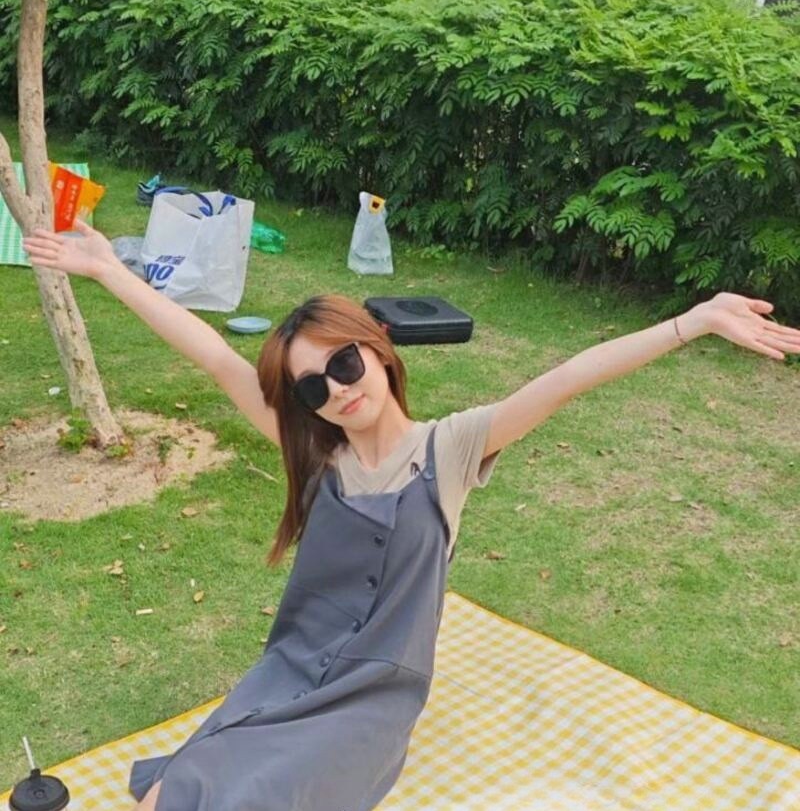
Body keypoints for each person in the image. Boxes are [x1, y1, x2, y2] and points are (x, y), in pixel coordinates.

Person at [22, 220, 800, 811]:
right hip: (291, 667)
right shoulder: (319, 458)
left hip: (369, 701)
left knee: (258, 795)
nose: (337, 389)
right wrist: (109, 269)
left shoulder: (449, 449)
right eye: (314, 387)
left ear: (377, 349)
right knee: (175, 790)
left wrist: (695, 320)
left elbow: (567, 377)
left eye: (344, 363)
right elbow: (217, 357)